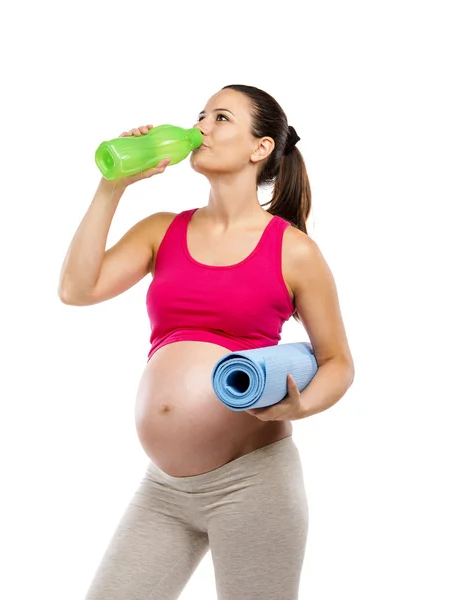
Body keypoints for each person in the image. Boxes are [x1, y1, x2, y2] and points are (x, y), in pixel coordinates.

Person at [58, 84, 355, 600]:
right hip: (165, 489)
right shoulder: (161, 231)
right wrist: (113, 187)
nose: (201, 128)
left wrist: (303, 405)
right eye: (200, 115)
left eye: (220, 118)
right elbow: (76, 289)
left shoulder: (294, 251)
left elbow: (337, 362)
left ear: (260, 148)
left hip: (253, 485)